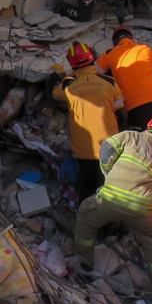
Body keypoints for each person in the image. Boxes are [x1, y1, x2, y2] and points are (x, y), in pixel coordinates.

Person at [74, 115, 152, 296]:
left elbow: (107, 147)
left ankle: (84, 265)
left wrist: (107, 172)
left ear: (148, 126)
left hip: (111, 199)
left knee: (85, 216)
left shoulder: (131, 136)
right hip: (142, 210)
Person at [52, 41, 124, 201]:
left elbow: (55, 94)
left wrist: (58, 79)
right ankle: (110, 212)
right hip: (109, 145)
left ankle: (86, 211)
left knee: (87, 185)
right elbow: (122, 114)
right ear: (93, 57)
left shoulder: (67, 85)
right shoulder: (110, 82)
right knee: (110, 184)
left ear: (71, 63)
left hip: (83, 148)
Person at [96, 27, 152, 130]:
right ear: (131, 38)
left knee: (140, 136)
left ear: (115, 41)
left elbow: (95, 71)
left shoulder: (109, 54)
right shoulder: (146, 49)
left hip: (133, 108)